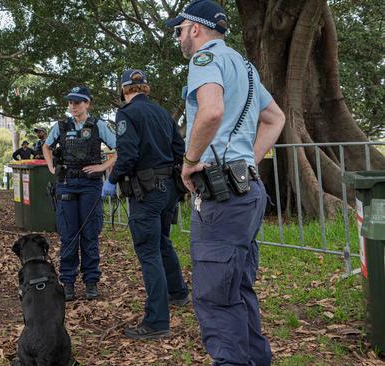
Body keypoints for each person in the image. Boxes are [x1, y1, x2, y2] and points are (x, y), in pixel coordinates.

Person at [167, 1, 285, 364]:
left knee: (215, 297)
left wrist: (189, 163)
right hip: (246, 190)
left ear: (197, 29)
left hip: (222, 197)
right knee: (238, 288)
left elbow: (212, 111)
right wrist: (248, 159)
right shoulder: (245, 66)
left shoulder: (205, 60)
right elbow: (275, 118)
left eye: (181, 29)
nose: (180, 36)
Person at [102, 69, 190, 340]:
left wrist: (112, 179)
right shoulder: (162, 113)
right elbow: (179, 149)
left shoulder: (127, 114)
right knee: (162, 242)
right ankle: (177, 293)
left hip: (146, 192)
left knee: (148, 251)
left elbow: (127, 154)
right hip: (168, 190)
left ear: (124, 90)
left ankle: (157, 321)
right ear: (144, 88)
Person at [42, 86, 117, 301]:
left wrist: (103, 167)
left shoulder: (98, 125)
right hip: (66, 182)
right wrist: (51, 167)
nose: (73, 106)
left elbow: (118, 149)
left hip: (90, 185)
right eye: (70, 102)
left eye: (78, 102)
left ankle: (91, 281)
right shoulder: (61, 126)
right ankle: (68, 282)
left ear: (87, 103)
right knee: (68, 235)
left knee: (89, 233)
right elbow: (47, 147)